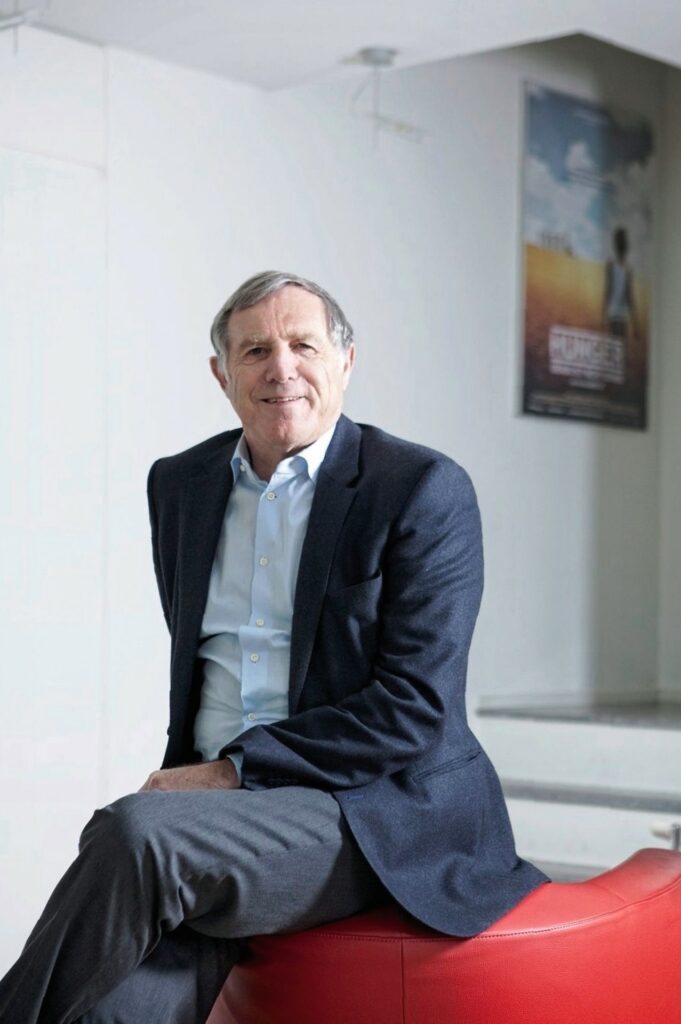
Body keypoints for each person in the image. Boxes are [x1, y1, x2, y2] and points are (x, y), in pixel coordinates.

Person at [0, 271, 546, 1024]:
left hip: (371, 810)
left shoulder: (420, 488)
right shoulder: (180, 485)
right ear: (221, 374)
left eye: (303, 346)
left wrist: (229, 774)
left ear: (345, 361)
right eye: (255, 350)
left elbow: (412, 710)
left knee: (136, 833)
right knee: (116, 1005)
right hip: (216, 816)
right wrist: (205, 785)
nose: (280, 368)